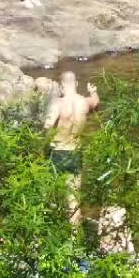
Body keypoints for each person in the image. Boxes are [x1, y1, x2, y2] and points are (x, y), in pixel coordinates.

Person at [43, 72, 100, 216]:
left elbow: (48, 124)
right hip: (75, 153)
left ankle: (47, 233)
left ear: (62, 85)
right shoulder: (85, 102)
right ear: (75, 84)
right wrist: (93, 92)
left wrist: (43, 147)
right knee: (73, 202)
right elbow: (96, 102)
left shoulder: (58, 103)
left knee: (48, 197)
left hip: (57, 153)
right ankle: (75, 237)